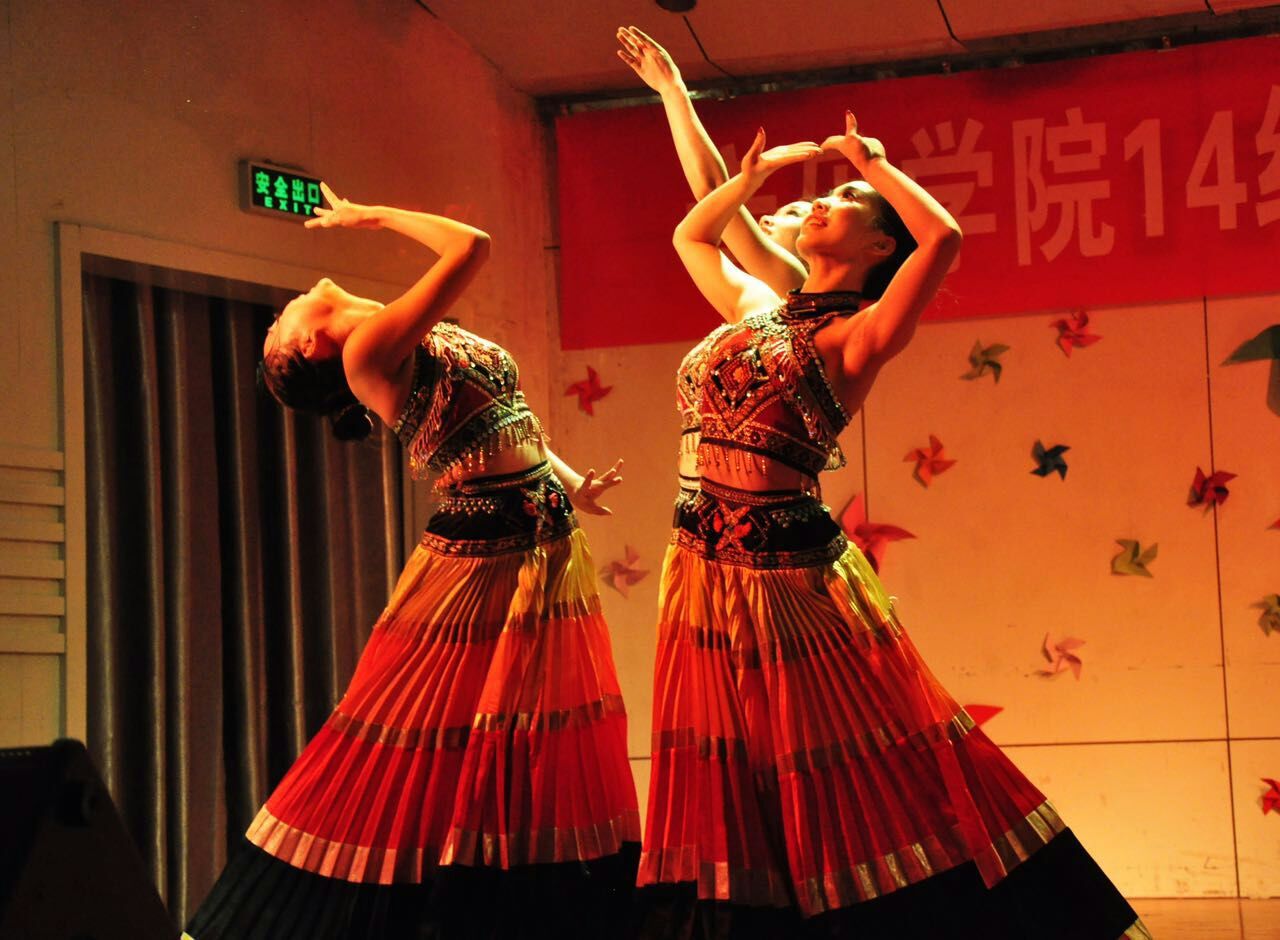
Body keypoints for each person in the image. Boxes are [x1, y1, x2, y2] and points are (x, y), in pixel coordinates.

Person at [634, 118, 1151, 939]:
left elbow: (941, 238)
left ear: (880, 247)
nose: (823, 202)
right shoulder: (757, 305)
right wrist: (747, 174)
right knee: (734, 761)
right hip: (700, 568)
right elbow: (692, 235)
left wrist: (872, 163)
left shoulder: (857, 335)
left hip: (789, 574)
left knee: (846, 754)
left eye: (845, 200)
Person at [184, 184, 640, 939]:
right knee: (427, 719)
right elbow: (472, 246)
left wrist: (569, 483)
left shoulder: (414, 340)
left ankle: (510, 904)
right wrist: (369, 216)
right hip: (480, 552)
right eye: (275, 330)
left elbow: (505, 417)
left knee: (520, 724)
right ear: (308, 349)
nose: (279, 314)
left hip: (538, 538)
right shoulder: (366, 351)